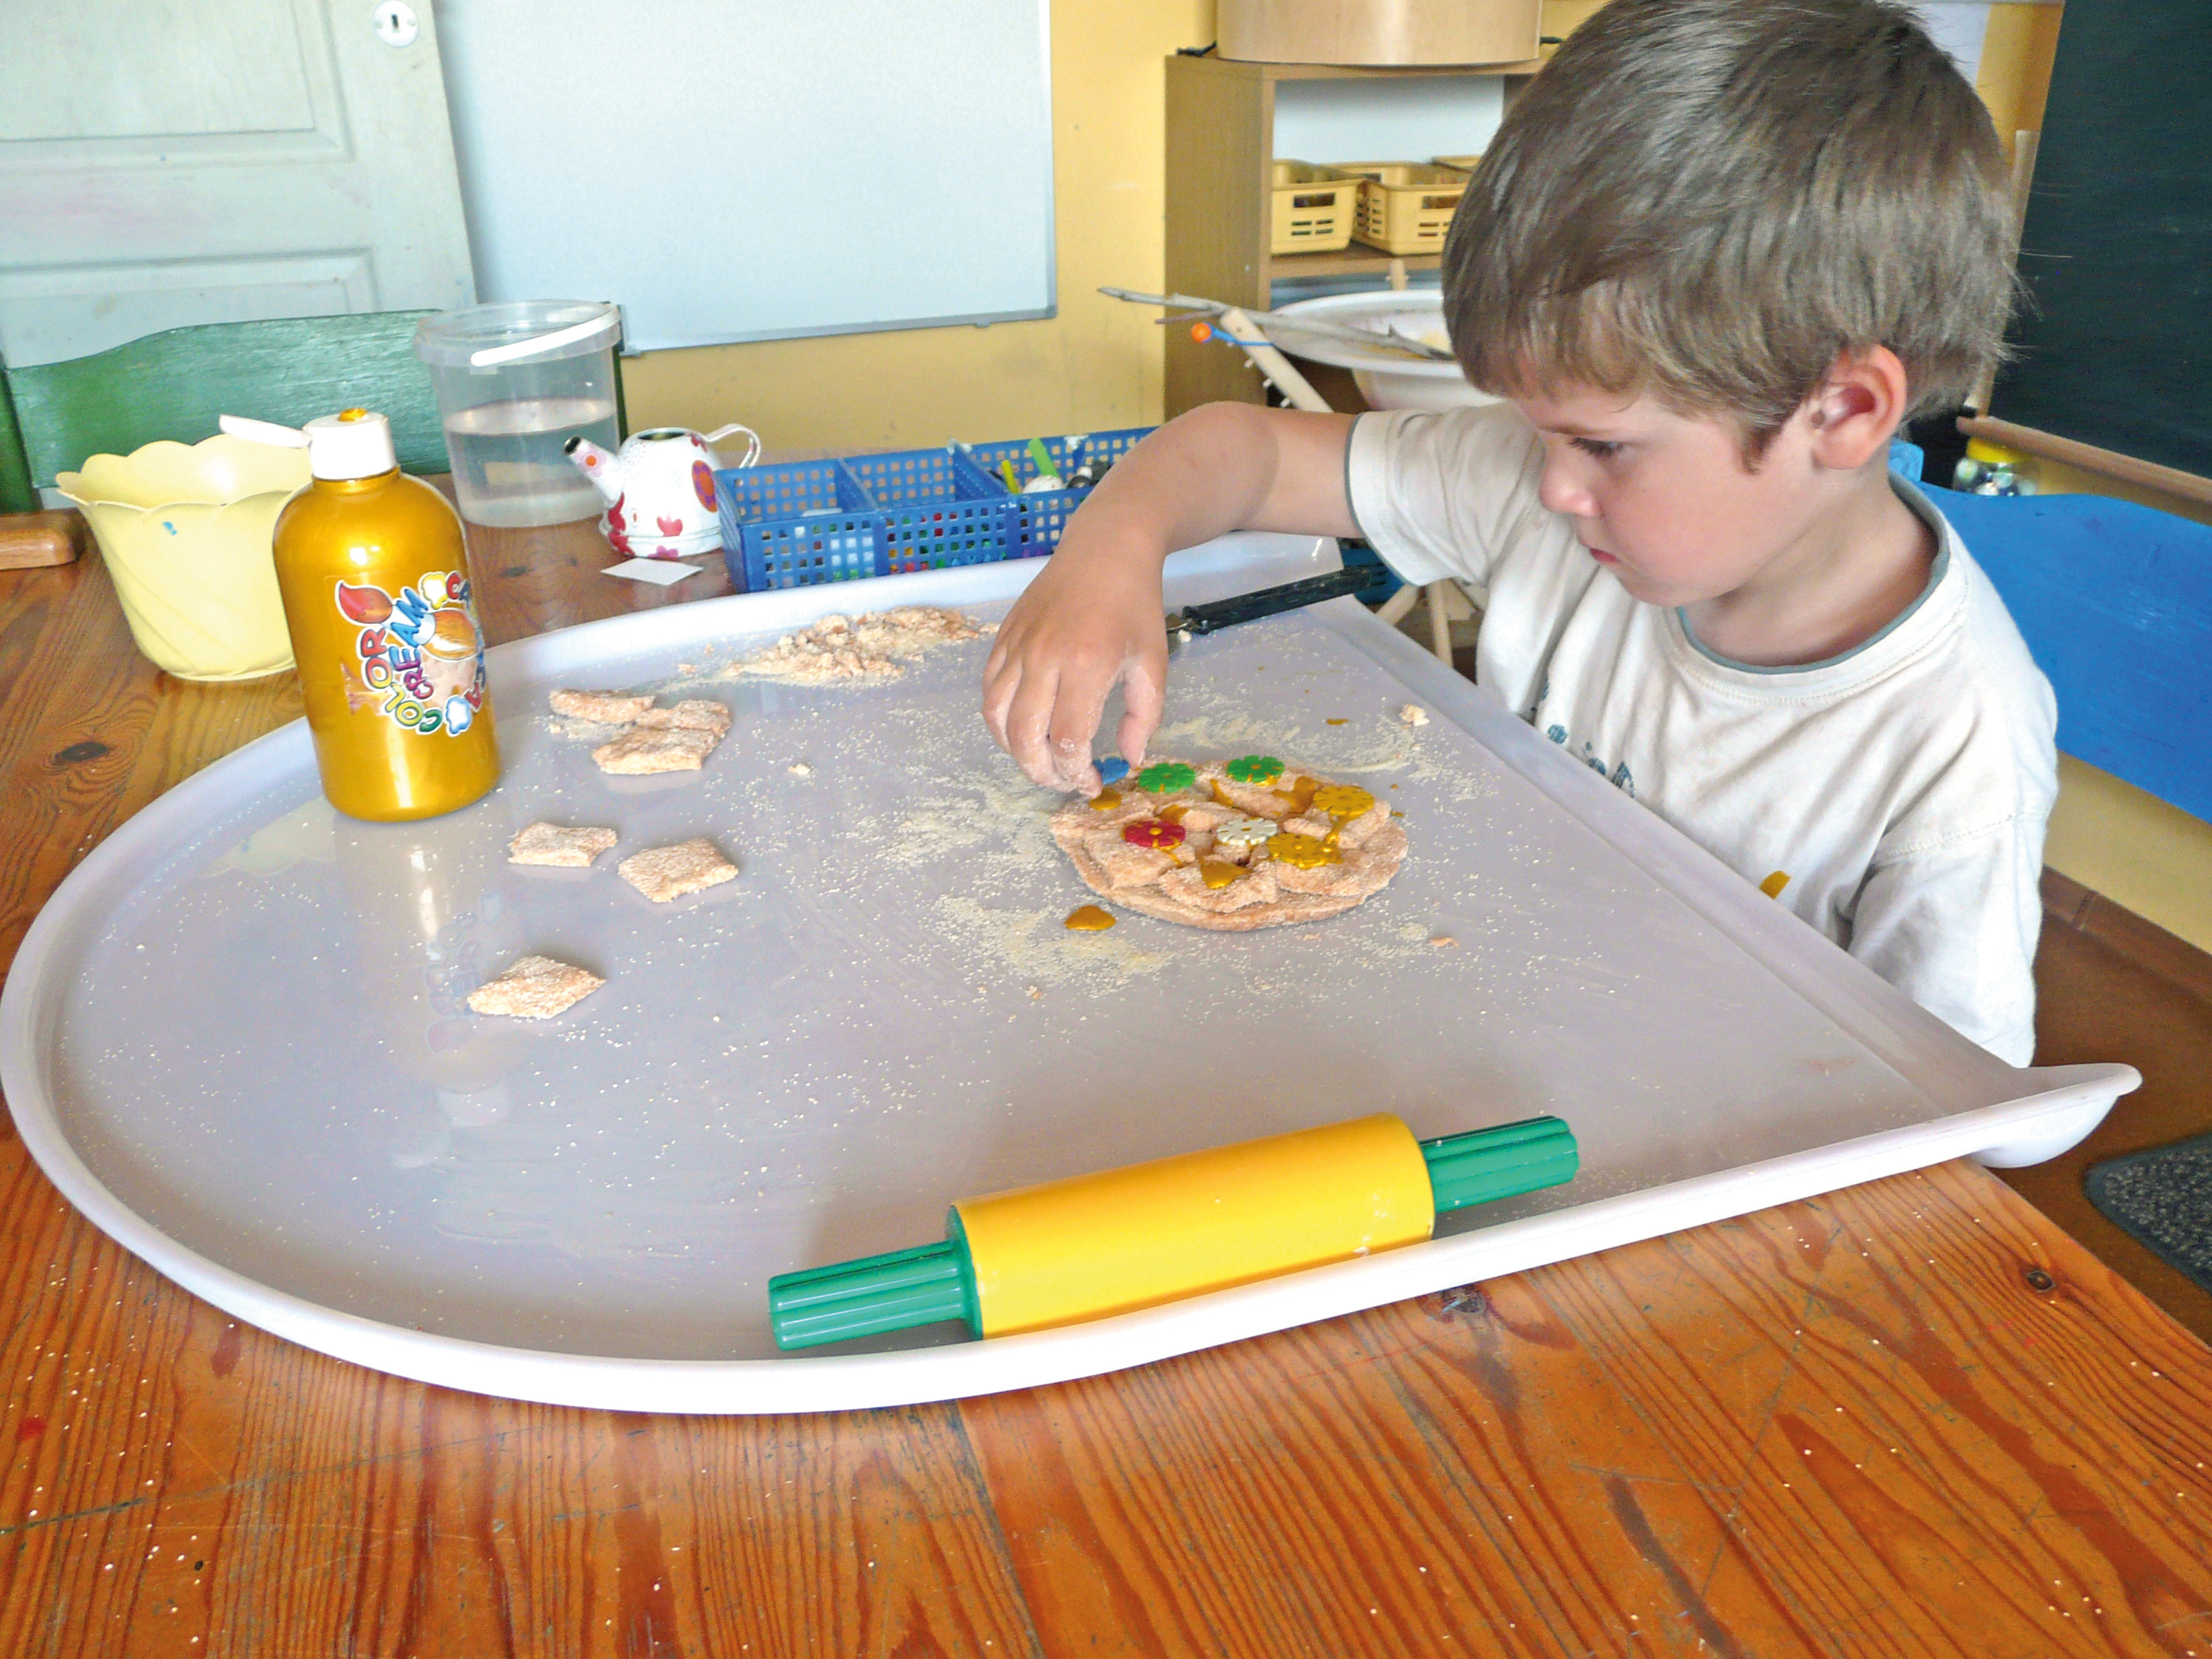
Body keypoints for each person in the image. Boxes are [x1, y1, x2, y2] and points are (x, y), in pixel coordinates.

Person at [982, 0, 2054, 1065]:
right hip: (1494, 1027)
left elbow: (1954, 1108)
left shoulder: (1958, 747)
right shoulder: (1547, 490)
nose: (1550, 488)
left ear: (1847, 412)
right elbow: (1240, 448)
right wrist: (1111, 551)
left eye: (1605, 446)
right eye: (1541, 434)